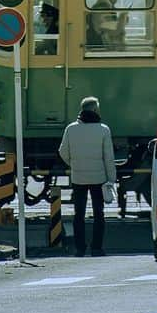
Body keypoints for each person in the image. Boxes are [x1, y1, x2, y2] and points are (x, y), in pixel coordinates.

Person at [58, 95, 116, 257]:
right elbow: (108, 158)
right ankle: (97, 248)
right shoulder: (103, 130)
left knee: (79, 214)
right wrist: (111, 178)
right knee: (99, 213)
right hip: (99, 178)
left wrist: (74, 164)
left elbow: (62, 151)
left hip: (78, 178)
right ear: (96, 110)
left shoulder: (71, 129)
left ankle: (80, 248)